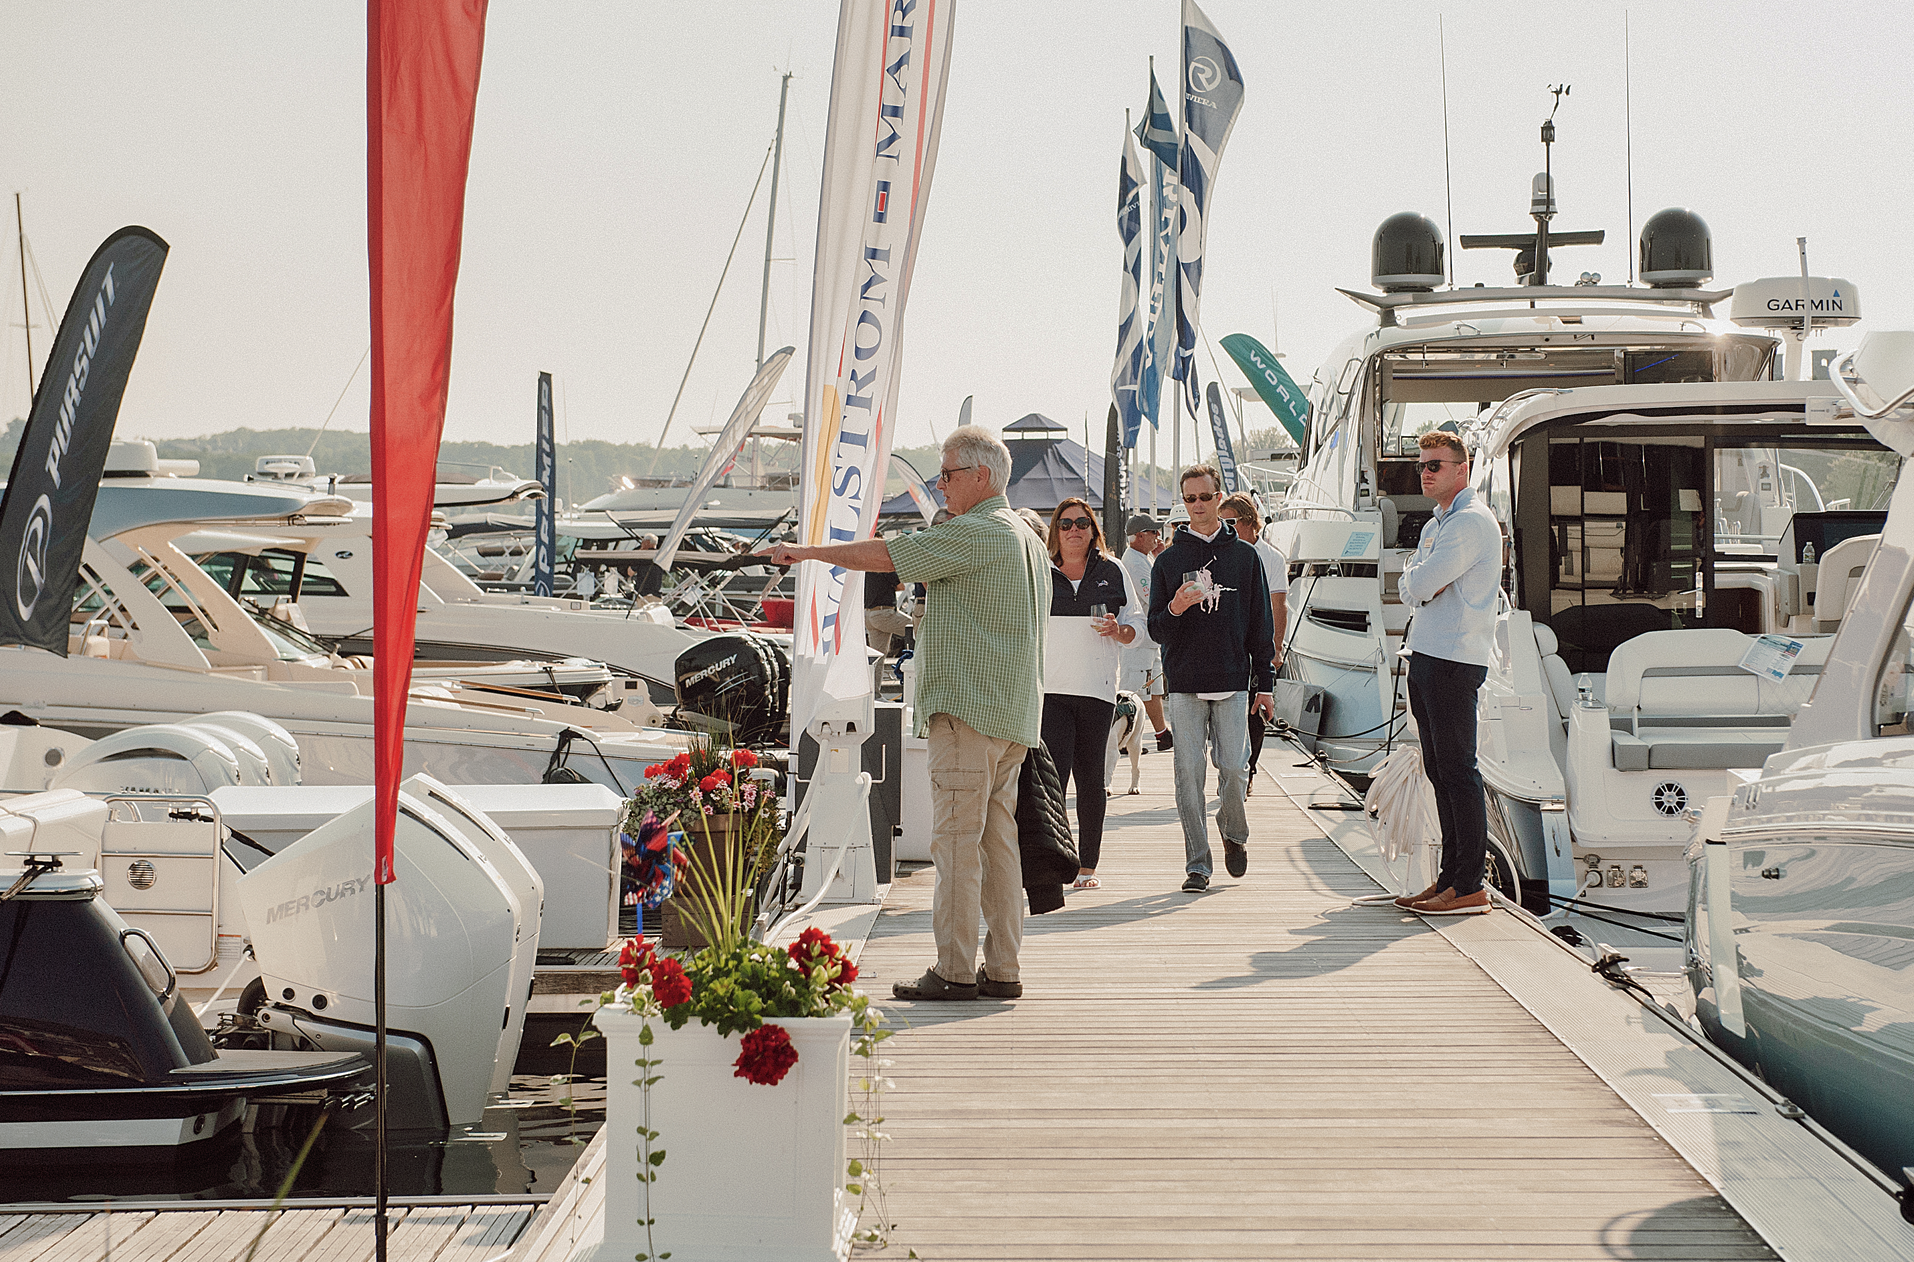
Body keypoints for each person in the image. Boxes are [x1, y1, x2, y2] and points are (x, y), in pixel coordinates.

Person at [761, 425, 1046, 999]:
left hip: (968, 712)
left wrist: (808, 553)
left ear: (981, 477)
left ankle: (955, 969)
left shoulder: (976, 532)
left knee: (956, 844)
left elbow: (890, 556)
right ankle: (1004, 968)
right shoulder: (1027, 537)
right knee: (997, 843)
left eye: (947, 474)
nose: (940, 485)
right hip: (1013, 715)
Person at [1148, 465, 1275, 893]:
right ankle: (1197, 865)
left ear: (1219, 498)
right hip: (1184, 681)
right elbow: (1156, 630)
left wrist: (1267, 684)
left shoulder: (1245, 556)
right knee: (1188, 773)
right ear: (1183, 502)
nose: (1198, 506)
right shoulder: (1167, 561)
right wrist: (1177, 608)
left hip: (1234, 680)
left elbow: (1261, 624)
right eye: (1189, 499)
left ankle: (1233, 833)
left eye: (1204, 497)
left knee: (1235, 770)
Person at [1394, 431, 1502, 916]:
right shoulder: (1438, 524)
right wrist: (1419, 582)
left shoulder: (1469, 523)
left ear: (1463, 468)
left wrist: (1419, 581)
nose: (1426, 472)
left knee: (1459, 770)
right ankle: (1449, 878)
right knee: (1439, 769)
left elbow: (1420, 581)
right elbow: (1411, 585)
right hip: (1429, 655)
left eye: (1436, 464)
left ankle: (1468, 883)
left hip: (1454, 658)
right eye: (1422, 465)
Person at [1041, 497, 1147, 891]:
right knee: (1053, 781)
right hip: (1050, 690)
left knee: (1090, 779)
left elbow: (1138, 623)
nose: (1074, 530)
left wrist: (1121, 631)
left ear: (1093, 529)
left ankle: (1088, 867)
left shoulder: (1112, 569)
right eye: (1065, 523)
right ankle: (1055, 864)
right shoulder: (1040, 570)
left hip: (1097, 690)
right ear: (1056, 530)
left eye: (1082, 523)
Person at [1218, 493, 1288, 795]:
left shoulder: (1270, 557)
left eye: (1230, 522)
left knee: (1254, 712)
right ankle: (1231, 770)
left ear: (1249, 522)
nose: (1224, 528)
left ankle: (1249, 770)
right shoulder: (1223, 553)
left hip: (1256, 645)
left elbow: (1278, 605)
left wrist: (1275, 648)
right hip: (1227, 644)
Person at [1119, 514, 1172, 748]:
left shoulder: (1144, 558)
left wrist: (1160, 557)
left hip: (1150, 637)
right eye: (1153, 532)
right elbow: (1153, 596)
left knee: (1152, 688)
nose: (1157, 536)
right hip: (1138, 638)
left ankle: (1161, 734)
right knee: (1134, 690)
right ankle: (1122, 740)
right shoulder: (1134, 561)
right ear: (1140, 536)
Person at [864, 570, 913, 655]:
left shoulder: (866, 569)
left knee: (877, 656)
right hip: (883, 614)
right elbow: (901, 586)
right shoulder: (884, 568)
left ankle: (875, 669)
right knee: (918, 629)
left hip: (868, 614)